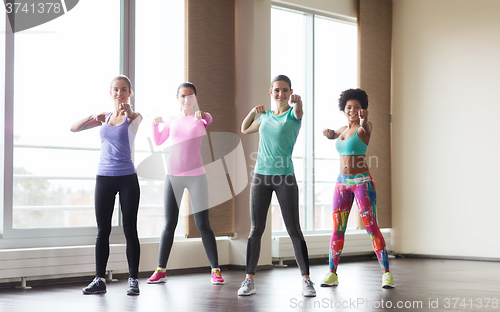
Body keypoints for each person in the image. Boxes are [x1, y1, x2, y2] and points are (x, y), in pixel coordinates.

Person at [238, 75, 315, 297]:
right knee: (256, 229)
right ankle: (248, 280)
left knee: (293, 229)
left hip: (284, 177)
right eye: (277, 90)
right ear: (271, 92)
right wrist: (253, 112)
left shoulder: (293, 115)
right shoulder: (265, 117)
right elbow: (245, 129)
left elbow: (299, 111)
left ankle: (306, 280)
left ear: (290, 92)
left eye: (284, 90)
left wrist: (298, 103)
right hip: (261, 177)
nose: (280, 93)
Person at [70, 75, 143, 295]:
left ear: (129, 93)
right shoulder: (105, 117)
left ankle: (133, 280)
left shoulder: (134, 117)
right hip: (104, 177)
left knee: (130, 229)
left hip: (127, 177)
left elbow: (132, 117)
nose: (119, 93)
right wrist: (92, 116)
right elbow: (74, 128)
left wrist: (127, 112)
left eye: (123, 90)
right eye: (115, 90)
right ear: (110, 92)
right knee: (103, 230)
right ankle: (99, 279)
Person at [146, 82, 224, 285]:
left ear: (195, 97)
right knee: (169, 224)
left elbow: (209, 119)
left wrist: (203, 115)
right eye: (183, 96)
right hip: (173, 176)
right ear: (178, 98)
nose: (187, 99)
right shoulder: (172, 120)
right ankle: (161, 270)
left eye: (190, 96)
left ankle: (215, 270)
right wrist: (155, 125)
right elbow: (159, 141)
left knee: (203, 224)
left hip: (197, 176)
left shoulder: (200, 119)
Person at [321, 88, 394, 289]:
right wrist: (328, 133)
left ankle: (386, 273)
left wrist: (364, 118)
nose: (353, 110)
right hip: (342, 183)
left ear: (363, 109)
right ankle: (332, 273)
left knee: (371, 227)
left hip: (362, 183)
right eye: (349, 107)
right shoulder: (343, 129)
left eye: (357, 107)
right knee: (338, 229)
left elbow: (364, 125)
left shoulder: (364, 128)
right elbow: (333, 134)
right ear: (343, 109)